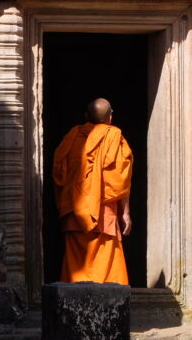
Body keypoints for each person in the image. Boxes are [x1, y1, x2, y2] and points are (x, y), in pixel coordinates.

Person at [52, 98, 133, 284]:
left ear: (86, 117)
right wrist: (126, 213)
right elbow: (122, 178)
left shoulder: (72, 137)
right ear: (110, 118)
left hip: (75, 213)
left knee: (76, 272)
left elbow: (59, 174)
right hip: (104, 215)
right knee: (108, 277)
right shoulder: (115, 137)